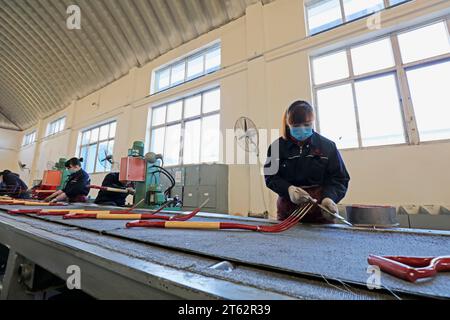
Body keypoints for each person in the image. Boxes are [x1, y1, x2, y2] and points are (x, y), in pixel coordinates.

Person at [264, 100, 350, 223]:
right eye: (296, 126)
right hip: (288, 213)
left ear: (312, 122)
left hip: (320, 213)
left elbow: (340, 178)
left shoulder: (328, 146)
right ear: (288, 124)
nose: (302, 129)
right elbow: (270, 177)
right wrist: (289, 190)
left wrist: (329, 198)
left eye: (307, 124)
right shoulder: (276, 147)